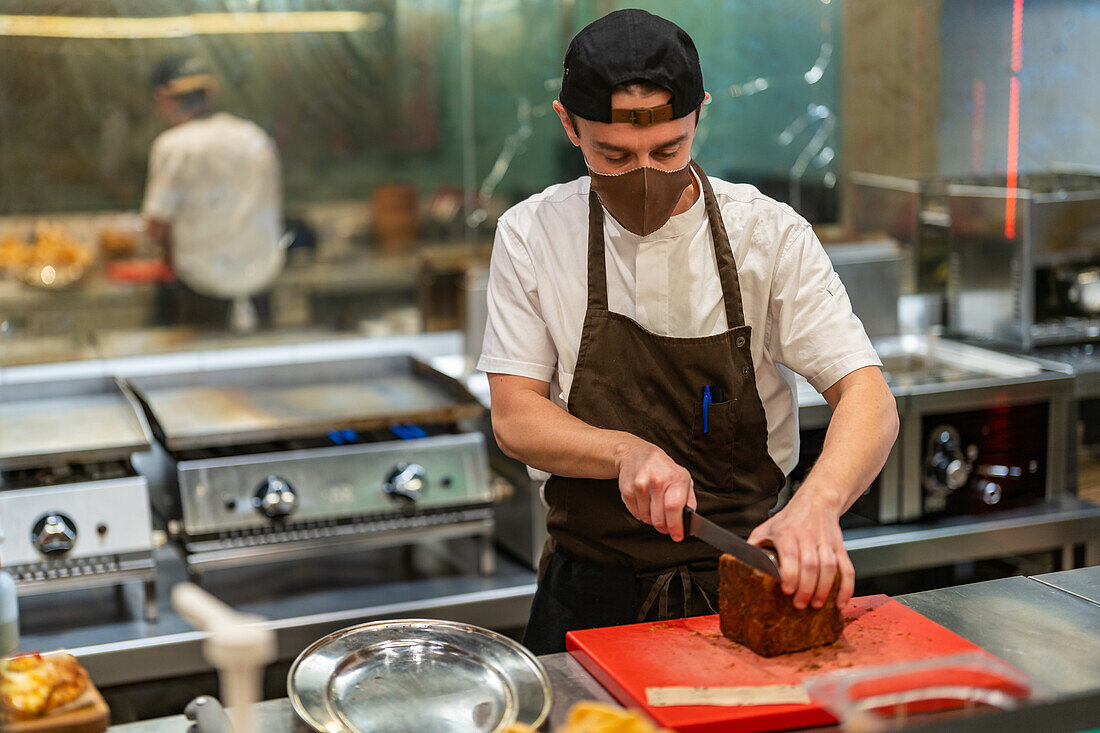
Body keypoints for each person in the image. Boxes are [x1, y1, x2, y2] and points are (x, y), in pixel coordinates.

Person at [478, 9, 899, 654]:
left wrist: (816, 507)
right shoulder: (534, 234)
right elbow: (515, 416)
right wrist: (626, 451)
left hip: (747, 586)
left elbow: (867, 397)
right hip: (589, 595)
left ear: (699, 114)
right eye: (613, 155)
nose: (645, 175)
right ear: (569, 124)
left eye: (668, 150)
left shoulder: (768, 233)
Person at [143, 57, 285, 332]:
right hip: (261, 285)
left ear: (163, 97)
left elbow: (157, 226)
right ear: (211, 93)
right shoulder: (254, 137)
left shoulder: (174, 146)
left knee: (203, 369)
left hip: (201, 289)